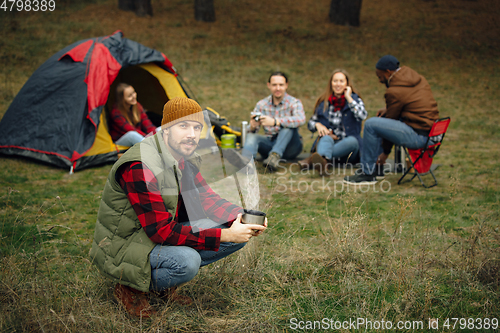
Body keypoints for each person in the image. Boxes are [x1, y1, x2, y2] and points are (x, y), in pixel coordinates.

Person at [90, 97, 267, 318]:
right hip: (125, 244)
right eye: (183, 126)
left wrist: (241, 217)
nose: (191, 134)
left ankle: (161, 285)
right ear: (165, 129)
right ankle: (129, 286)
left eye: (196, 127)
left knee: (234, 231)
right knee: (188, 261)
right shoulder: (141, 166)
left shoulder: (183, 155)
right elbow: (160, 231)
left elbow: (206, 198)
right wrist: (225, 234)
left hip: (153, 234)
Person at [343, 55, 439, 185]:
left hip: (419, 137)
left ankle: (367, 173)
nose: (379, 80)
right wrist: (388, 109)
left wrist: (385, 154)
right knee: (379, 120)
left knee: (371, 124)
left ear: (388, 72)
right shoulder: (417, 79)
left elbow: (391, 119)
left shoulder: (394, 91)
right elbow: (410, 103)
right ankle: (376, 169)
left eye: (379, 76)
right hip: (432, 132)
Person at [298, 69, 367, 175]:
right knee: (325, 138)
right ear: (331, 83)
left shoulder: (354, 99)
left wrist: (348, 97)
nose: (338, 84)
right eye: (335, 81)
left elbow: (362, 115)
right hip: (329, 142)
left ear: (347, 84)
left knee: (352, 140)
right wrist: (317, 125)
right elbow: (310, 123)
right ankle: (324, 162)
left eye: (341, 81)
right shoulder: (324, 102)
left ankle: (315, 159)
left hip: (349, 149)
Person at [243, 72, 306, 171]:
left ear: (286, 85)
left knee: (287, 127)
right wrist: (252, 126)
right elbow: (250, 132)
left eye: (281, 85)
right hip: (270, 144)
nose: (278, 88)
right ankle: (246, 164)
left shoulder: (294, 102)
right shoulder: (261, 105)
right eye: (274, 85)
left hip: (291, 147)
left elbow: (301, 119)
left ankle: (274, 156)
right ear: (269, 85)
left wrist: (275, 122)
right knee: (251, 136)